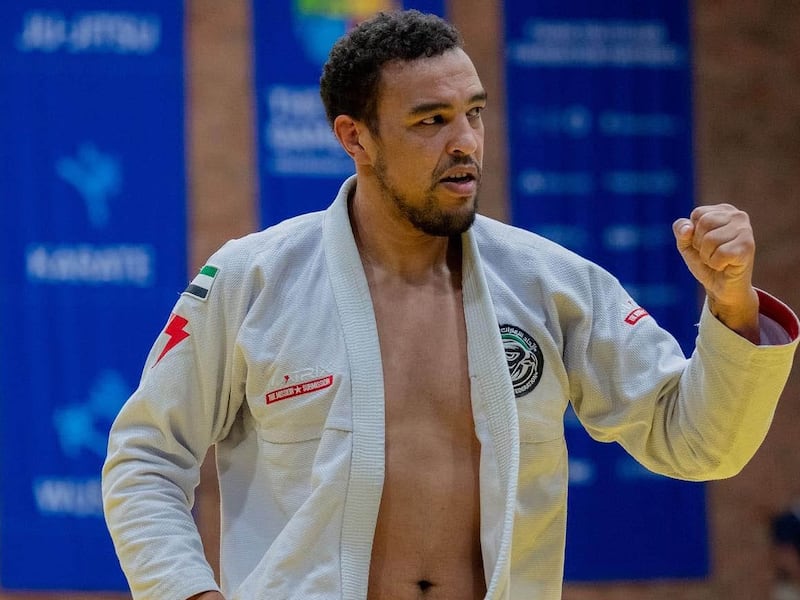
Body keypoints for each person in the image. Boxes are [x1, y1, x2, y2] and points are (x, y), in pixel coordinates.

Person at [102, 9, 799, 600]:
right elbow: (145, 457)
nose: (464, 142)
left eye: (473, 114)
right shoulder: (252, 280)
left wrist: (733, 303)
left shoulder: (552, 285)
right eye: (431, 120)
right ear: (356, 138)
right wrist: (188, 592)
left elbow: (697, 444)